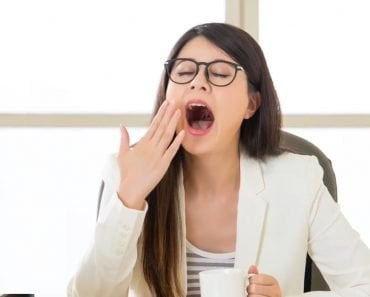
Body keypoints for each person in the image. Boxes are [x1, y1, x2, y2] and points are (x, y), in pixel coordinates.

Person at [67, 23, 370, 297]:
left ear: (251, 104)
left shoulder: (298, 179)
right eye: (184, 72)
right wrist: (128, 199)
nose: (198, 83)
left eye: (220, 73)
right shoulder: (126, 172)